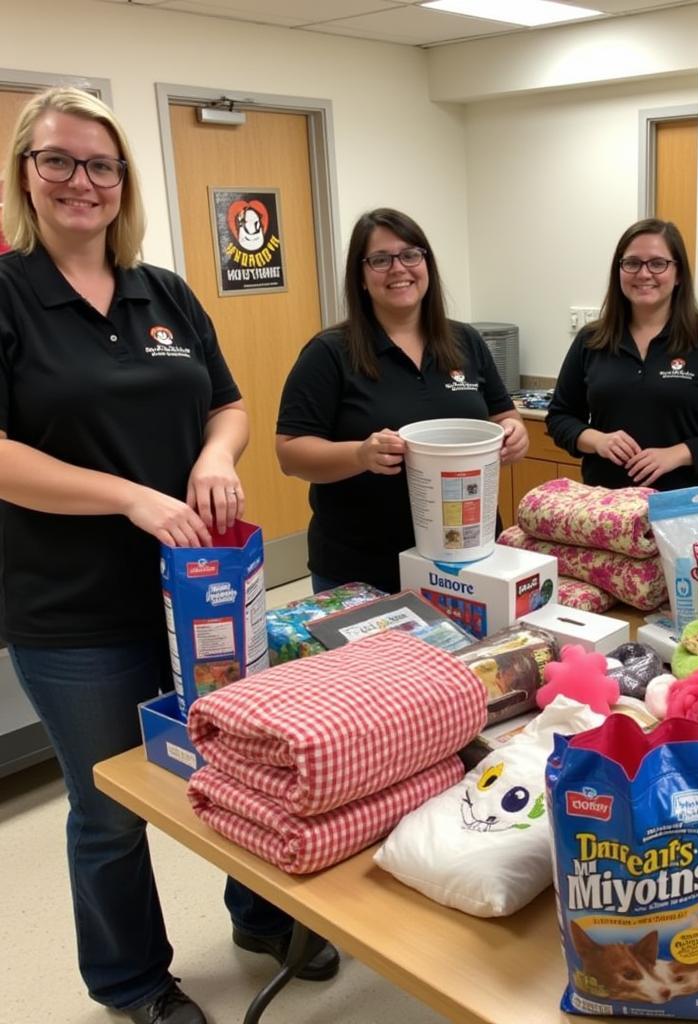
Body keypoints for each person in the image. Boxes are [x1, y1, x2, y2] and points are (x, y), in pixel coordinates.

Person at [0, 88, 337, 1024]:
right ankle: (133, 981)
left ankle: (262, 917)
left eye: (101, 165)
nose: (81, 181)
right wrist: (132, 497)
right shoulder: (10, 294)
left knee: (244, 767)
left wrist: (210, 454)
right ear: (25, 172)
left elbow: (226, 401)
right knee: (110, 807)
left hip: (205, 592)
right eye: (58, 161)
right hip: (75, 606)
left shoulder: (164, 290)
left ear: (124, 181)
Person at [276, 207, 528, 594]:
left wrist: (514, 433)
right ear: (360, 277)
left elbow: (504, 415)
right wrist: (361, 455)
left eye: (411, 255)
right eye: (380, 259)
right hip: (362, 568)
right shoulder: (329, 353)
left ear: (427, 264)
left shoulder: (466, 342)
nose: (399, 268)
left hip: (466, 560)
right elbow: (290, 454)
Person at [546, 217, 698, 490]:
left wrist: (679, 454)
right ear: (619, 270)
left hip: (683, 509)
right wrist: (596, 440)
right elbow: (560, 417)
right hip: (606, 509)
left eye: (658, 263)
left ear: (678, 273)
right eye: (632, 263)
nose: (644, 274)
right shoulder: (591, 340)